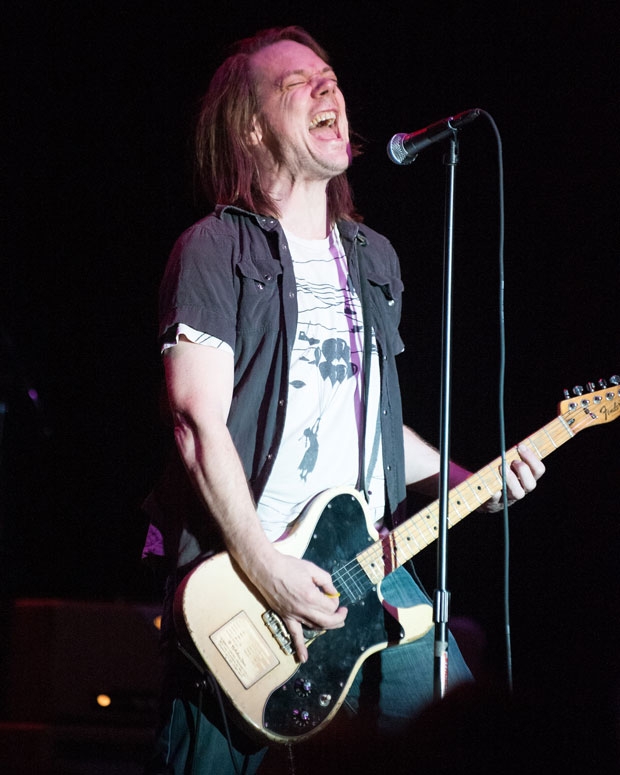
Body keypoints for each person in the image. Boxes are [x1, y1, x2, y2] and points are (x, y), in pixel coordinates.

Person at [142, 25, 545, 775]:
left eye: (330, 78)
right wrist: (266, 568)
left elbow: (375, 425)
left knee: (462, 743)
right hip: (247, 572)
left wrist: (467, 482)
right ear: (253, 126)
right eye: (298, 84)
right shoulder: (215, 248)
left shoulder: (375, 260)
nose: (329, 89)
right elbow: (197, 424)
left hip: (366, 565)